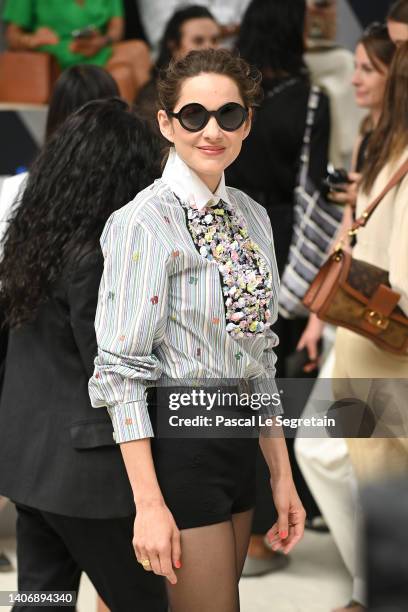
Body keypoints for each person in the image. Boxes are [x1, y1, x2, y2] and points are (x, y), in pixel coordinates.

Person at [89, 47, 306, 612]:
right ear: (166, 123)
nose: (213, 130)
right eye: (194, 116)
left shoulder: (253, 215)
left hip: (239, 443)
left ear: (248, 122)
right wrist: (148, 503)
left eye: (229, 115)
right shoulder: (143, 220)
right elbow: (119, 371)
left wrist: (281, 476)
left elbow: (261, 356)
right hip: (181, 444)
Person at [0, 99, 167, 612]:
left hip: (29, 466)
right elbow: (113, 370)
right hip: (89, 479)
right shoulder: (98, 256)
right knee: (144, 603)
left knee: (41, 600)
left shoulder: (33, 239)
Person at [225, 0, 329, 575]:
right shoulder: (311, 98)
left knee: (229, 383)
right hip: (286, 245)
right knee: (278, 389)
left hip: (226, 236)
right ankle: (275, 525)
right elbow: (313, 187)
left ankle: (238, 533)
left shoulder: (227, 92)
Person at [2, 0, 145, 102]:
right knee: (123, 73)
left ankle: (149, 133)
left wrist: (101, 41)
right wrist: (32, 40)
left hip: (96, 50)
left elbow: (116, 29)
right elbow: (12, 36)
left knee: (132, 60)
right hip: (56, 58)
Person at [136, 5, 220, 133]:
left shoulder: (230, 88)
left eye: (214, 40)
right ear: (174, 46)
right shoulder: (154, 99)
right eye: (198, 41)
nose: (210, 48)